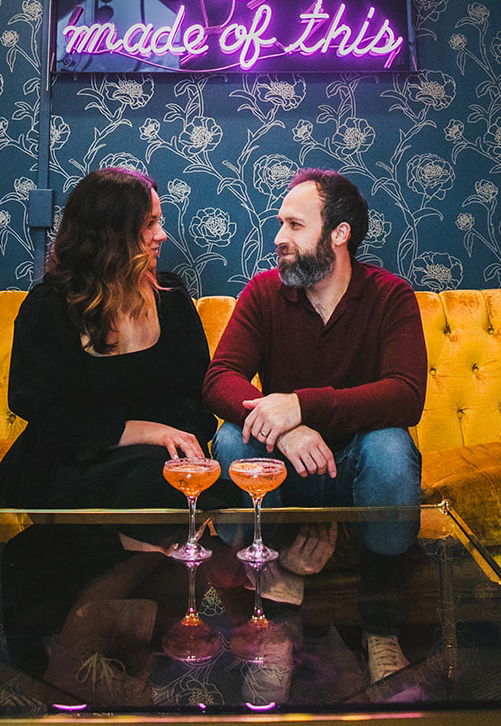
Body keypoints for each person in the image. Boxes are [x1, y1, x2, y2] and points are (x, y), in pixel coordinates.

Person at [203, 168, 428, 685]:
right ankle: (276, 618)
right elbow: (219, 379)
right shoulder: (264, 293)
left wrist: (302, 406)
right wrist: (283, 429)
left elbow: (405, 395)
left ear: (339, 234)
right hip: (283, 466)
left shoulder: (390, 296)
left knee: (392, 448)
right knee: (234, 439)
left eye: (294, 225)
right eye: (280, 224)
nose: (278, 238)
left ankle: (380, 630)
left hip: (355, 467)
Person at [0, 166, 216, 515]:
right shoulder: (50, 306)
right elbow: (56, 424)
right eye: (149, 223)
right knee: (149, 488)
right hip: (70, 467)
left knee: (170, 483)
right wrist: (146, 429)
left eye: (159, 221)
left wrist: (155, 436)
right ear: (111, 234)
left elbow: (196, 406)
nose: (162, 235)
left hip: (155, 463)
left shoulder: (172, 300)